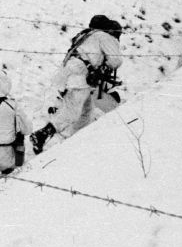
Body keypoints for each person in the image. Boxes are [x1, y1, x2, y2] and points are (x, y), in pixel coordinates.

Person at [31, 14, 124, 153]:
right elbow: (116, 61)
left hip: (71, 72)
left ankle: (76, 142)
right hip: (80, 75)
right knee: (72, 110)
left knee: (86, 112)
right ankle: (42, 134)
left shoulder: (85, 36)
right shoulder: (103, 36)